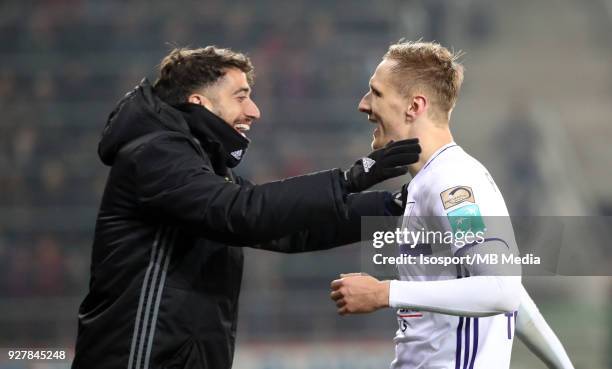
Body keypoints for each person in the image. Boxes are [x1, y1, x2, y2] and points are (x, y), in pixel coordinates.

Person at [71, 46, 422, 369]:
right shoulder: (155, 154)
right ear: (200, 102)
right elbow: (243, 213)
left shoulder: (202, 166)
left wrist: (390, 208)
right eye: (241, 97)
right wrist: (350, 178)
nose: (254, 111)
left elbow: (290, 229)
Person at [330, 41, 574, 369]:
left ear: (414, 106)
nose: (363, 104)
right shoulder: (433, 181)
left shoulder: (453, 184)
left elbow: (500, 289)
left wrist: (384, 292)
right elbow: (508, 291)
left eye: (376, 92)